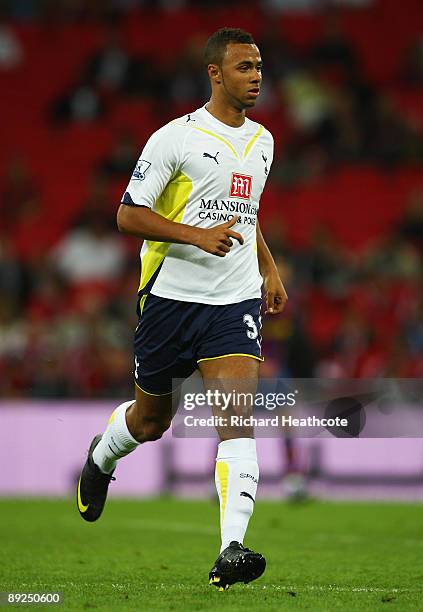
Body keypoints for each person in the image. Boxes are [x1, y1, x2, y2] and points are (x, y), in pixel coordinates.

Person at [76, 27, 287, 591]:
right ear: (215, 73)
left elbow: (248, 212)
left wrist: (267, 267)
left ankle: (232, 550)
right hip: (171, 299)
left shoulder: (264, 141)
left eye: (260, 66)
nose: (256, 76)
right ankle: (102, 455)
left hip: (233, 300)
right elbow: (127, 214)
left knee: (237, 422)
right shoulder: (176, 138)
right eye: (244, 67)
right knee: (151, 422)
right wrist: (195, 235)